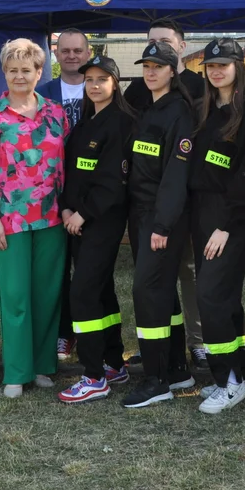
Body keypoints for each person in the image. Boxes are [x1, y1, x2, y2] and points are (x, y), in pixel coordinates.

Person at [0, 39, 69, 398]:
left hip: (52, 220)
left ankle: (43, 366)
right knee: (15, 297)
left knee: (46, 295)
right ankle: (16, 371)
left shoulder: (56, 114)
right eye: (12, 70)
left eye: (26, 70)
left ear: (39, 72)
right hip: (9, 222)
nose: (19, 76)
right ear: (4, 73)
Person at [124, 18, 208, 370]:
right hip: (141, 213)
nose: (151, 72)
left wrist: (162, 224)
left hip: (162, 219)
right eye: (146, 66)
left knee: (148, 290)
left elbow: (175, 174)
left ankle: (158, 375)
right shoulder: (148, 107)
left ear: (174, 69)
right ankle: (173, 365)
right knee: (157, 291)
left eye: (158, 66)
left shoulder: (179, 112)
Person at [189, 38, 245, 415]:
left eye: (224, 64)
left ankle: (228, 381)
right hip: (201, 213)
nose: (216, 70)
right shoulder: (203, 109)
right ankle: (239, 373)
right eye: (210, 65)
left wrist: (226, 225)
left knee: (212, 296)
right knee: (222, 299)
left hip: (228, 218)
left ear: (240, 66)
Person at [57, 55, 138, 403]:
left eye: (101, 79)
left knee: (83, 294)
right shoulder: (87, 120)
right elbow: (75, 171)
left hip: (100, 222)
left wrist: (82, 214)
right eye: (89, 79)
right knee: (102, 291)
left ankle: (92, 376)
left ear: (115, 83)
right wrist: (65, 208)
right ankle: (112, 363)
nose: (94, 85)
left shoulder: (121, 122)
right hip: (76, 221)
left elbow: (112, 181)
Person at [36, 28, 93, 362]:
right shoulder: (42, 93)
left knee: (87, 269)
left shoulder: (102, 87)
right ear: (56, 54)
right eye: (65, 50)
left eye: (78, 50)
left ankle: (88, 332)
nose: (72, 56)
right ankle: (61, 333)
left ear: (87, 53)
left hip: (88, 198)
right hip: (51, 196)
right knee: (56, 270)